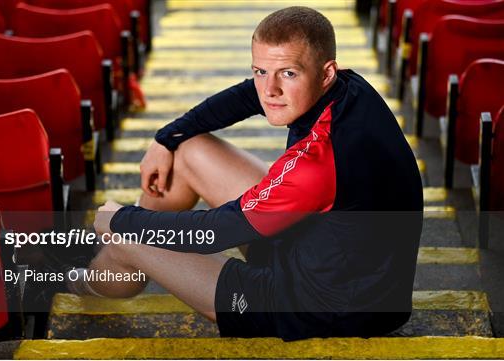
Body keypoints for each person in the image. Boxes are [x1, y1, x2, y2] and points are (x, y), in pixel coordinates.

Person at [68, 6, 423, 341]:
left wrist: (120, 221)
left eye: (288, 73)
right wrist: (166, 137)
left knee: (125, 235)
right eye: (260, 71)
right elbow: (247, 96)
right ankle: (112, 259)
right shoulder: (348, 87)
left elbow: (216, 231)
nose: (270, 90)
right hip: (337, 261)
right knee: (186, 150)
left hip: (323, 308)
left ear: (326, 72)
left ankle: (76, 283)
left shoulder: (318, 161)